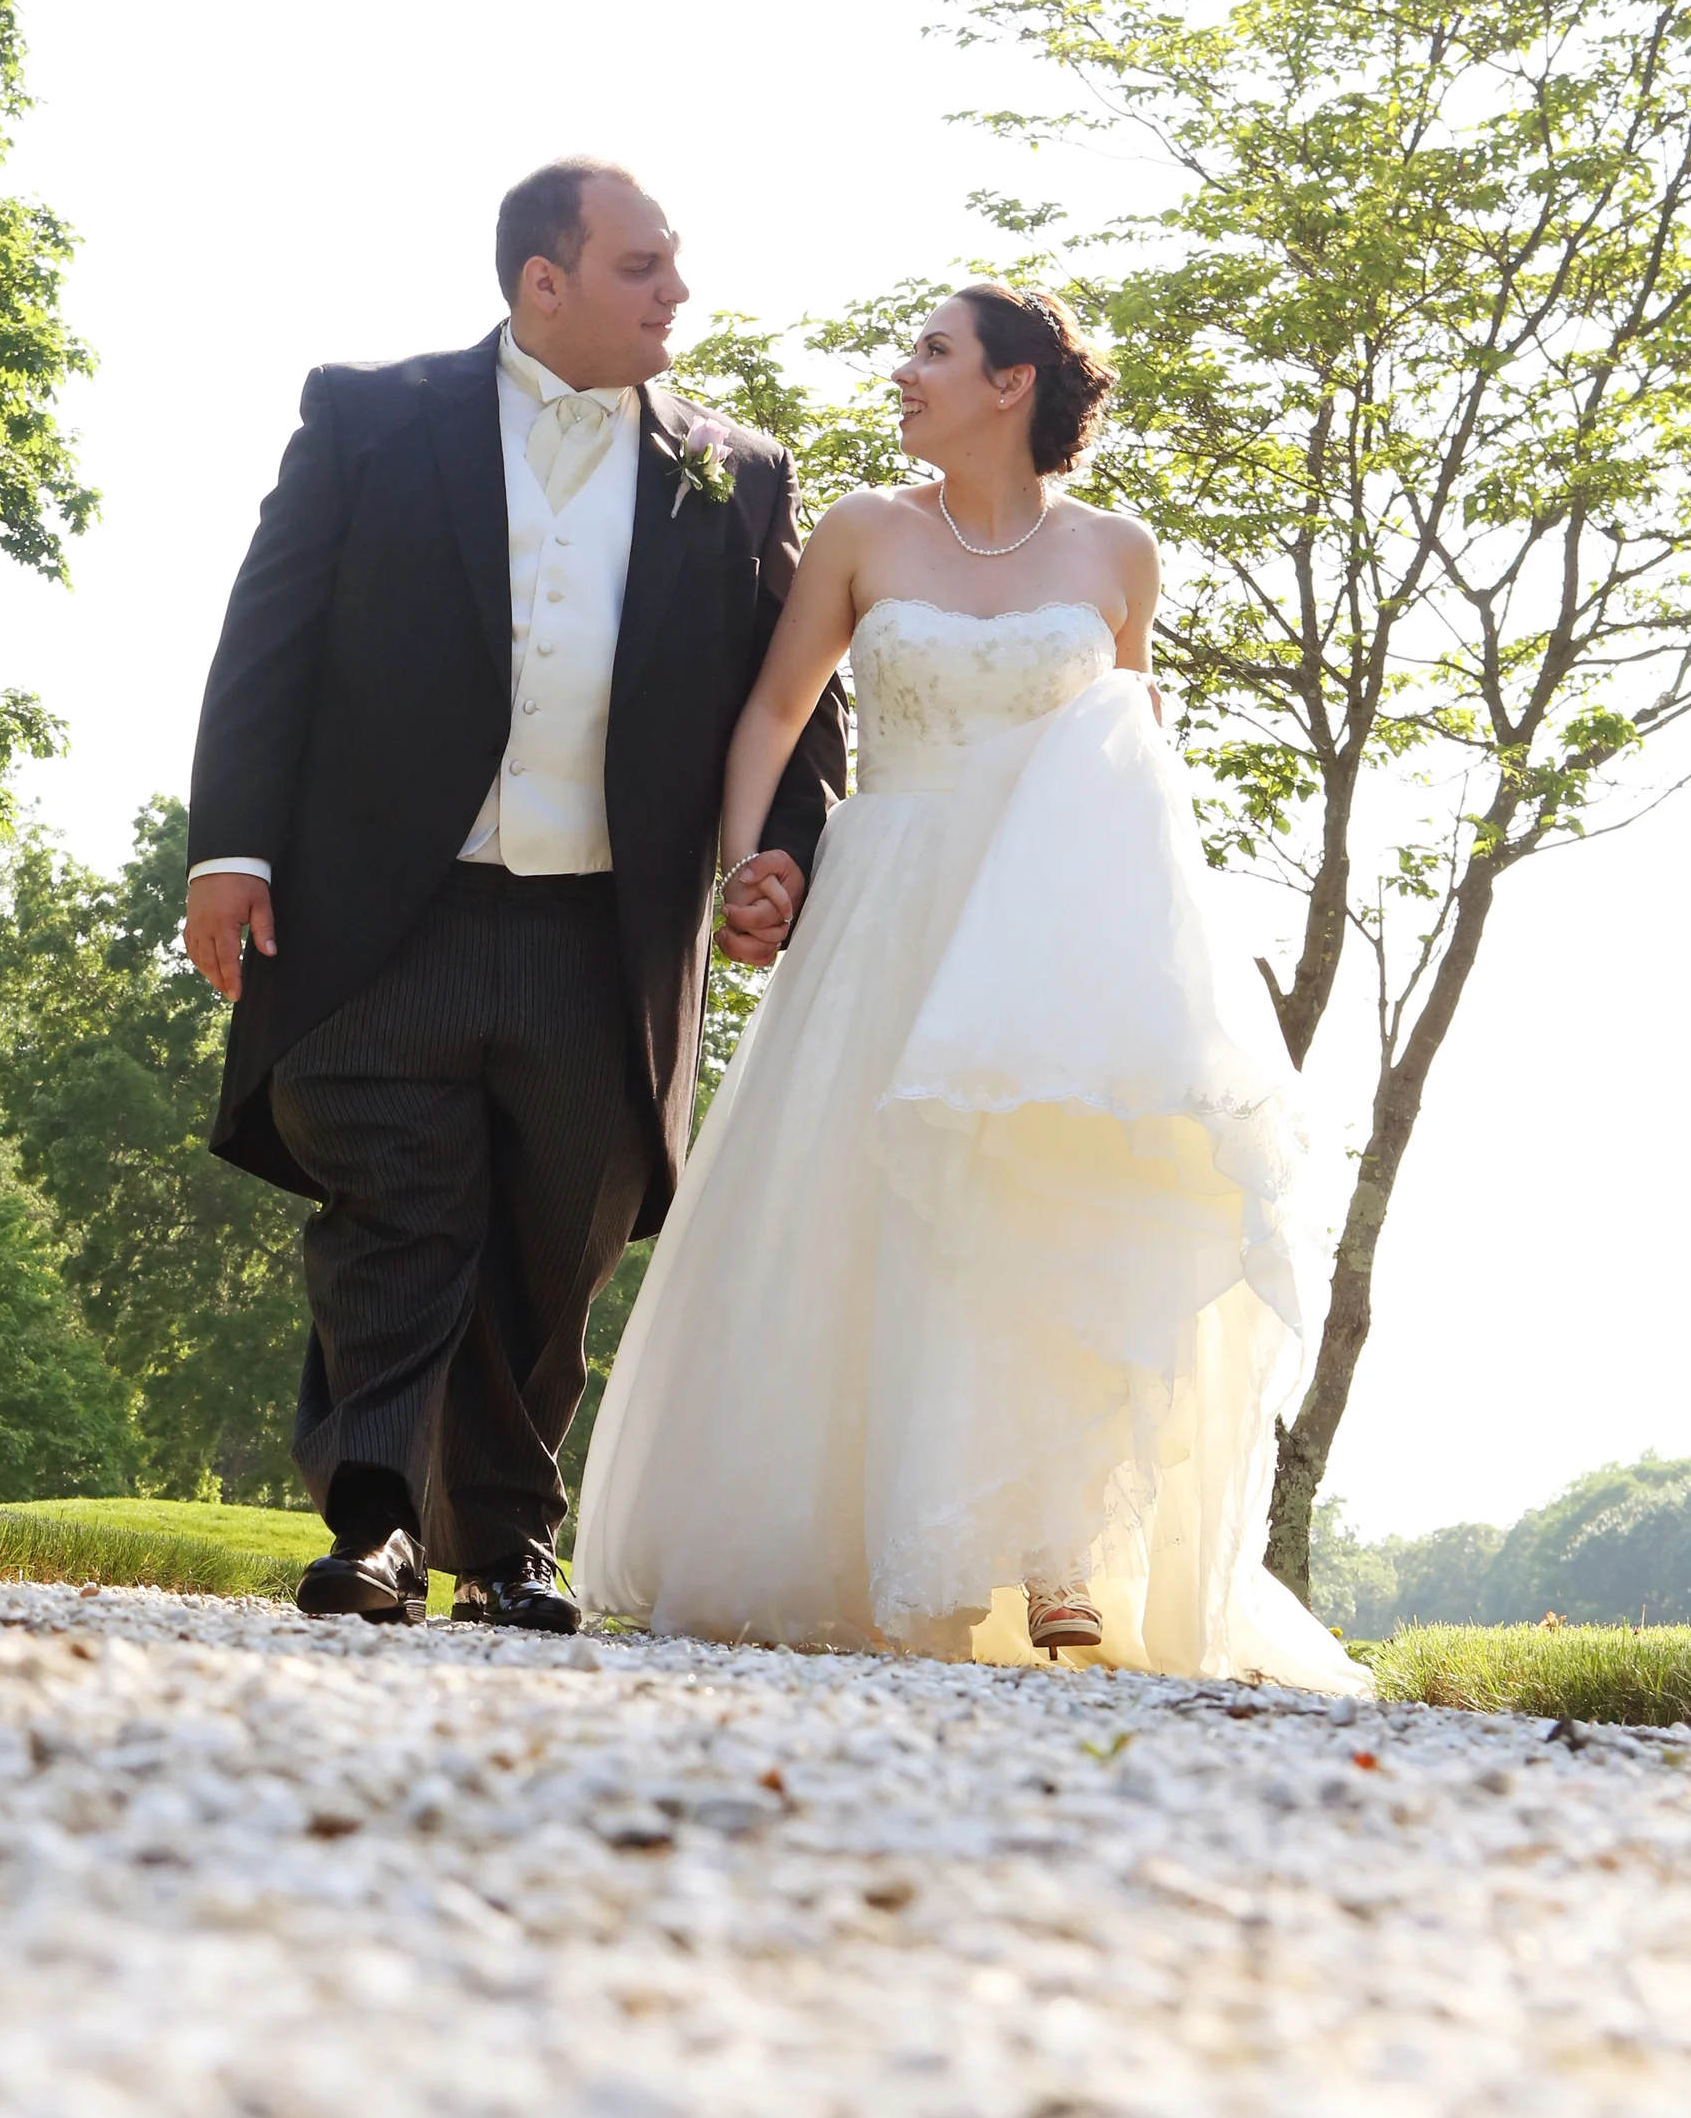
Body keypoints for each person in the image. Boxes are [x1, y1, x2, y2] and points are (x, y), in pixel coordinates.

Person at [574, 282, 1368, 1695]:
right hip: (890, 900)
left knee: (1047, 1205)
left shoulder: (1120, 558)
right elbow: (774, 709)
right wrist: (749, 860)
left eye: (933, 352)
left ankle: (1060, 1553)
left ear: (1013, 384)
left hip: (1050, 926)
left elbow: (1135, 769)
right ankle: (863, 1545)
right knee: (865, 1214)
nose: (905, 372)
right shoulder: (863, 533)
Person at [183, 161, 845, 1629]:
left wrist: (783, 855)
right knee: (397, 1214)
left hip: (602, 932)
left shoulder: (738, 474)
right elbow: (268, 633)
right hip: (385, 912)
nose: (679, 291)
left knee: (559, 1237)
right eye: (643, 266)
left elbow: (792, 712)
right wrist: (229, 848)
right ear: (542, 281)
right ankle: (375, 1524)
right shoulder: (370, 418)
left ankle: (506, 1539)